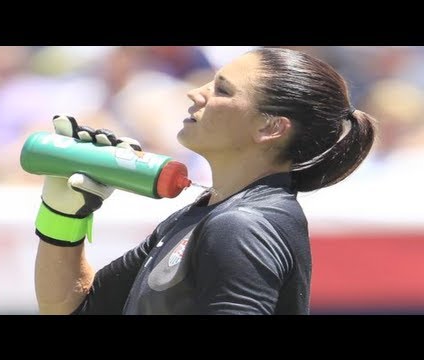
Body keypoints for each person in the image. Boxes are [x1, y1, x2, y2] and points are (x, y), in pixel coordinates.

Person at [34, 47, 377, 315]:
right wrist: (63, 216)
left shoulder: (242, 225)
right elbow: (70, 307)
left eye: (222, 90)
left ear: (270, 128)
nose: (196, 93)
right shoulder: (204, 214)